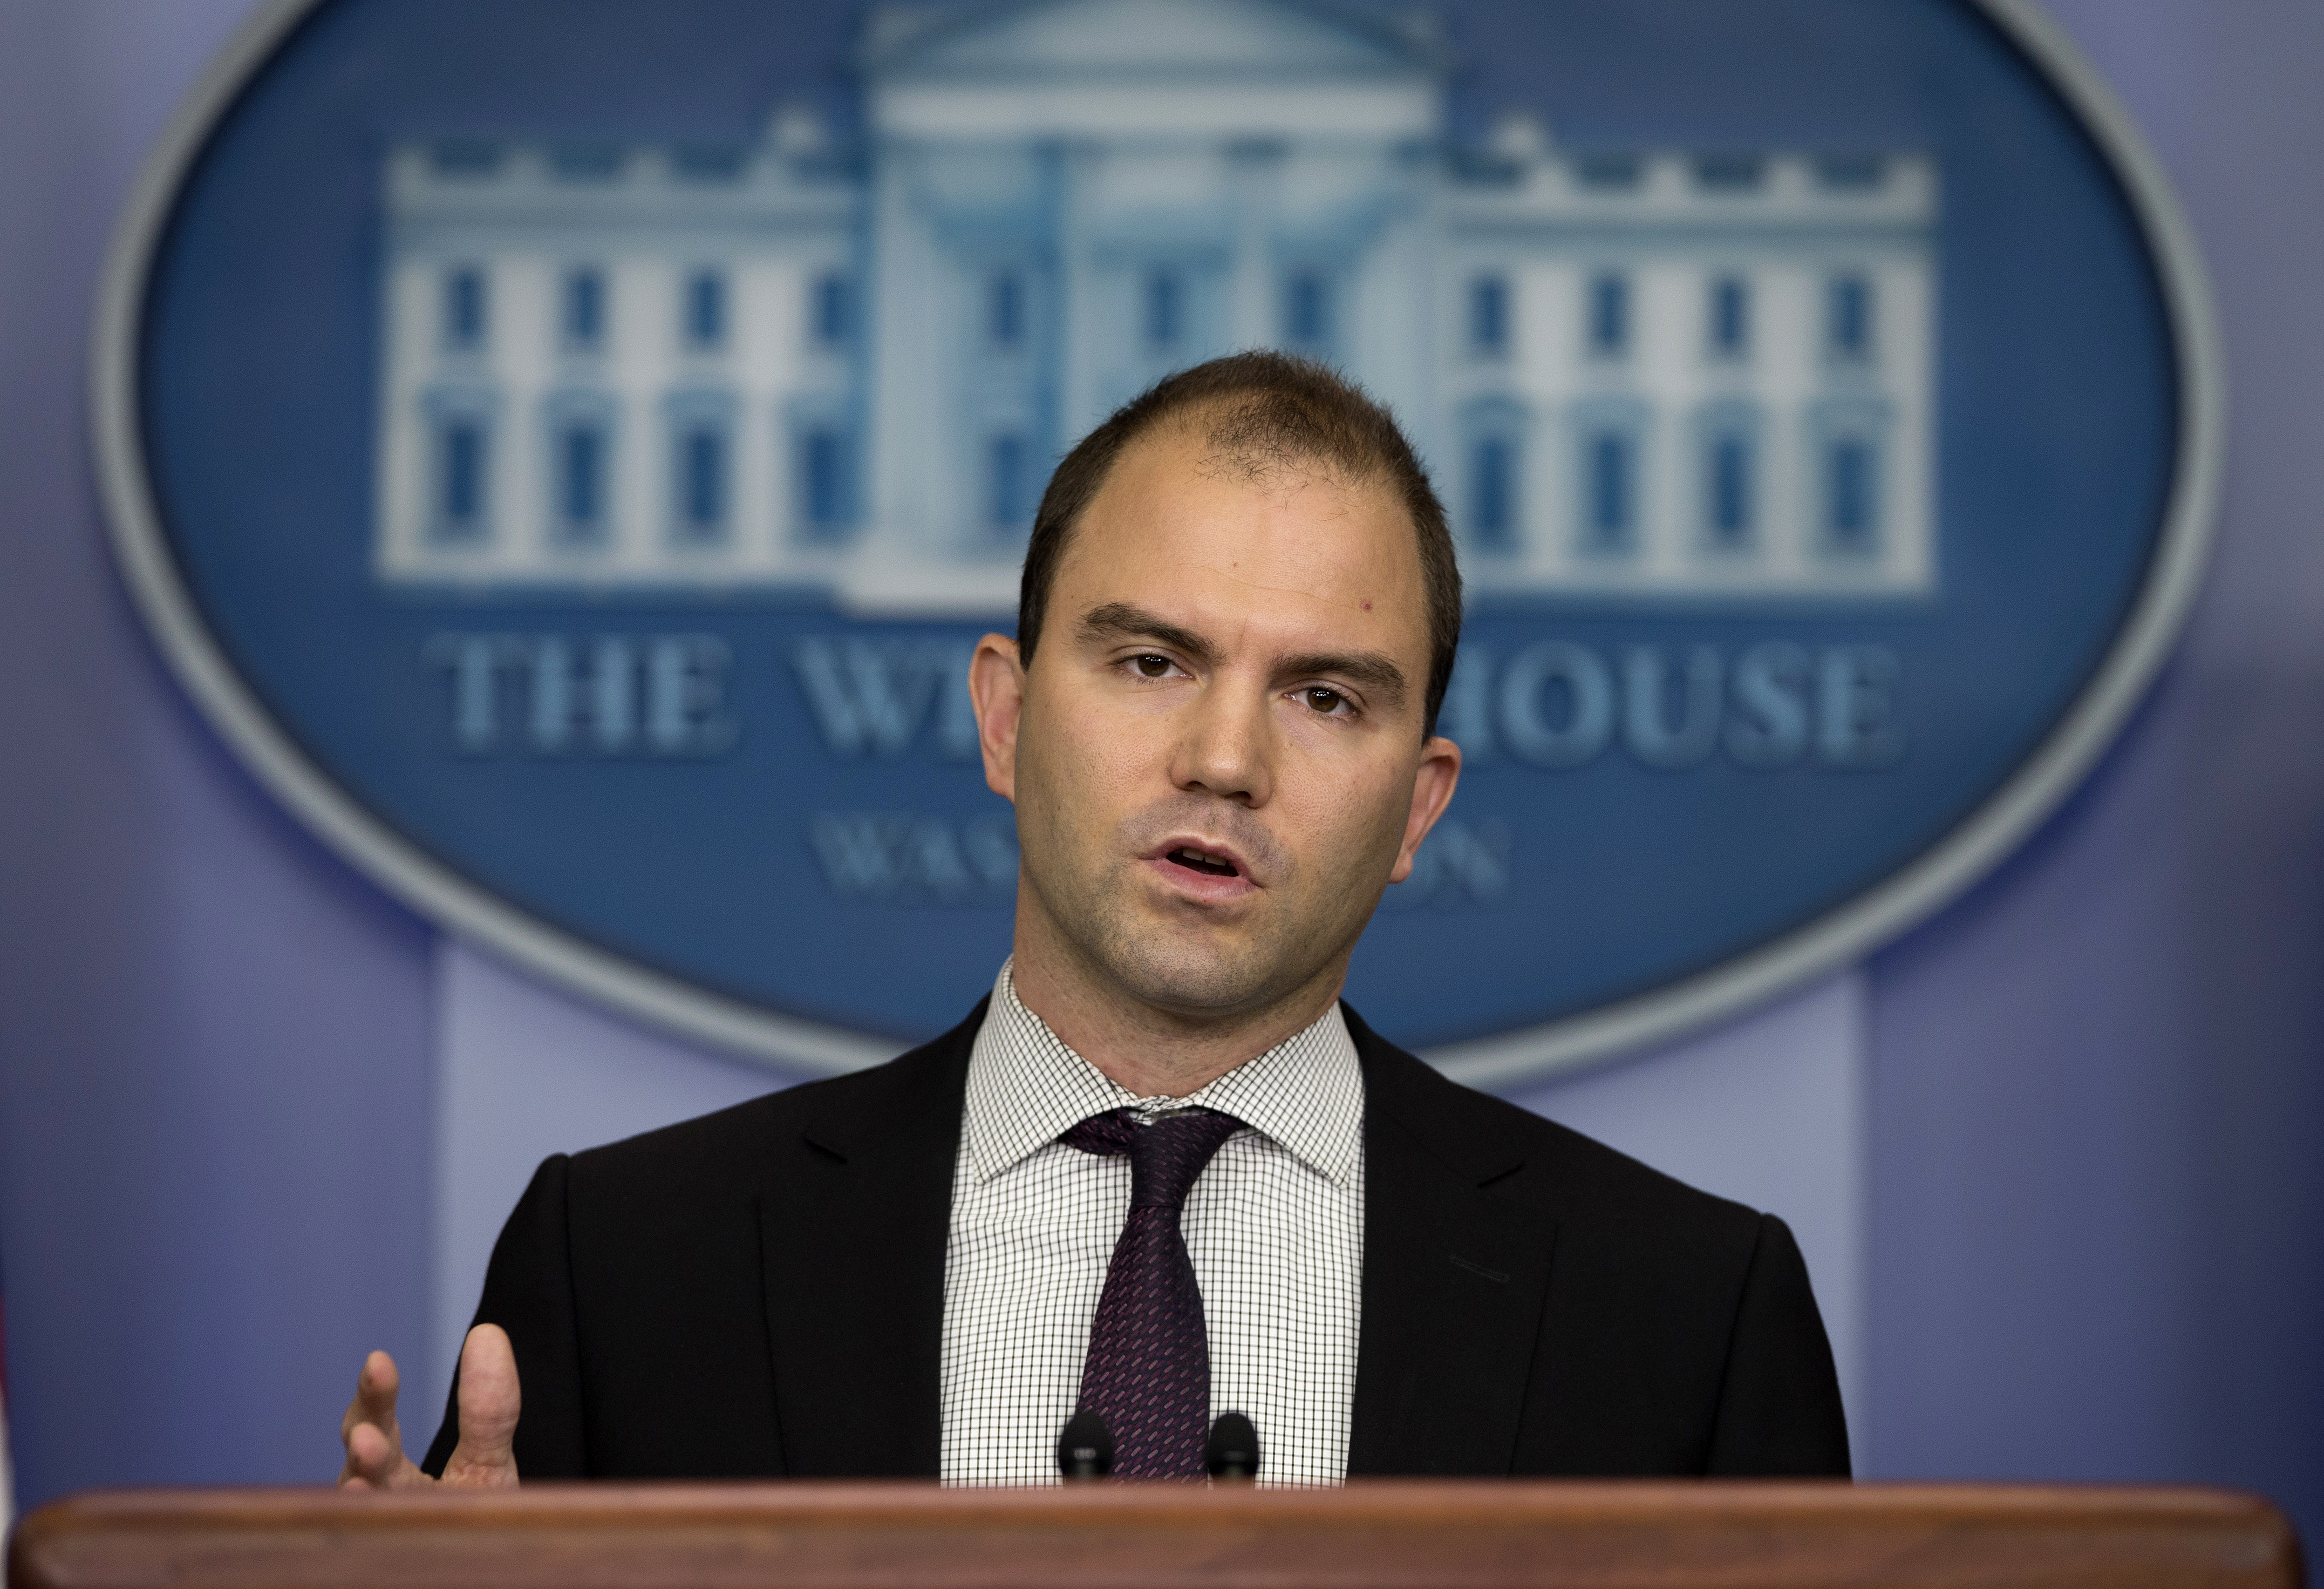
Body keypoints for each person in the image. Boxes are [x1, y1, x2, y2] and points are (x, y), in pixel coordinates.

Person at [338, 351, 1849, 1491]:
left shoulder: (1681, 1320)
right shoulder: (630, 1270)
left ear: (1416, 807)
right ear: (1004, 718)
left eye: (1325, 697)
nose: (1225, 759)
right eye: (1148, 663)